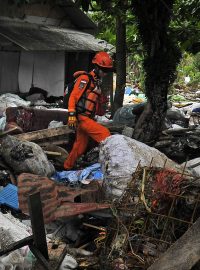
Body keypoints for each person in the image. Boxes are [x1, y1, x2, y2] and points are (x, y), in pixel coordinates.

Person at [64, 51, 113, 170]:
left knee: (80, 147)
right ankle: (110, 166)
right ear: (96, 67)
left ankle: (66, 167)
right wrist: (71, 115)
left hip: (86, 118)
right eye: (104, 70)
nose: (105, 73)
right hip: (81, 118)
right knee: (105, 135)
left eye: (107, 71)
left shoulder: (96, 81)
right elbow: (73, 97)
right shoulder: (85, 79)